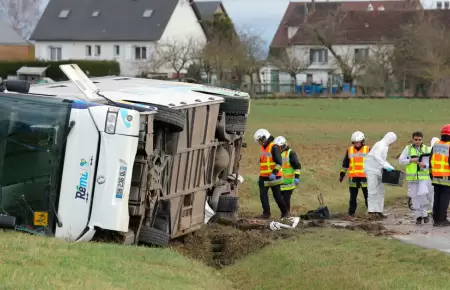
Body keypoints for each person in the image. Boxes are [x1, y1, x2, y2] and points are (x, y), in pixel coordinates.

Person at [254, 129, 288, 219]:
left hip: (274, 177)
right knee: (263, 196)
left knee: (277, 197)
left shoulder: (274, 147)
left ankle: (285, 213)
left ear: (264, 138)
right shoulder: (263, 148)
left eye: (259, 140)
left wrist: (274, 173)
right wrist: (261, 177)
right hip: (264, 177)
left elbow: (279, 163)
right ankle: (266, 214)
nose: (259, 143)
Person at [397, 132, 431, 224]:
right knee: (414, 197)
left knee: (422, 196)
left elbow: (432, 163)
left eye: (419, 140)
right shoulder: (407, 149)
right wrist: (411, 160)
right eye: (416, 139)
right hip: (412, 178)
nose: (417, 141)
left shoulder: (428, 149)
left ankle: (425, 215)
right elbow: (400, 161)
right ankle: (418, 217)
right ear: (413, 139)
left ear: (422, 140)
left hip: (423, 178)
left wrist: (425, 165)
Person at [363, 132, 397, 220]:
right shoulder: (380, 144)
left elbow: (382, 159)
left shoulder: (385, 146)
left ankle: (378, 211)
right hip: (371, 169)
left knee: (381, 190)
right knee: (372, 190)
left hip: (378, 170)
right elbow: (376, 156)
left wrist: (388, 166)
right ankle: (371, 211)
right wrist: (385, 165)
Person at [340, 131, 370, 217]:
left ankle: (371, 211)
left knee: (368, 196)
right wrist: (342, 174)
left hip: (365, 177)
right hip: (353, 177)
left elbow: (373, 162)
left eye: (358, 142)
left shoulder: (368, 149)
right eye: (355, 142)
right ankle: (351, 212)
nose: (357, 144)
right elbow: (345, 164)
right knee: (353, 197)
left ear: (362, 141)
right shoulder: (349, 150)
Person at [274, 136, 301, 216]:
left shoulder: (290, 153)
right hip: (279, 182)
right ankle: (284, 213)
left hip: (288, 183)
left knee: (286, 199)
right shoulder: (276, 153)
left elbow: (297, 166)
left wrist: (296, 177)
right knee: (279, 200)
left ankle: (286, 214)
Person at [429, 125, 450, 227]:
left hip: (435, 176)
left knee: (437, 197)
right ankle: (442, 220)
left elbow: (430, 160)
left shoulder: (436, 145)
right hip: (447, 177)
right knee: (444, 199)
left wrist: (431, 175)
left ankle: (436, 219)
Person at [424, 137, 440, 214]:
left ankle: (432, 208)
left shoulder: (427, 150)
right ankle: (434, 210)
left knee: (430, 194)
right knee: (434, 194)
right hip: (436, 175)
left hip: (427, 175)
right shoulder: (440, 151)